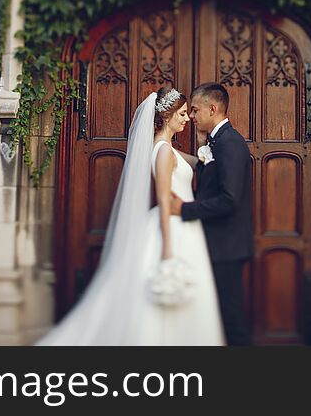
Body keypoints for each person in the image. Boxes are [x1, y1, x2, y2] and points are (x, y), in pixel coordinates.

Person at [34, 87, 224, 345]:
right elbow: (163, 198)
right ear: (167, 117)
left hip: (184, 225)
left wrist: (206, 144)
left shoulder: (167, 148)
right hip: (173, 227)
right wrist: (168, 247)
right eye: (181, 114)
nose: (187, 118)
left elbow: (196, 162)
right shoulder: (164, 151)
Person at [171, 82, 254, 345]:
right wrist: (170, 152)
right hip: (215, 244)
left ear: (212, 108)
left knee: (231, 318)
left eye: (194, 111)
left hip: (226, 246)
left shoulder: (230, 143)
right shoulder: (217, 142)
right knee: (215, 316)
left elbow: (229, 200)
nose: (192, 117)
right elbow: (209, 174)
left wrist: (184, 209)